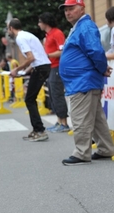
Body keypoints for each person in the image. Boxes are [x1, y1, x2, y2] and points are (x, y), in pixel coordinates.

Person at [58, 0, 114, 165]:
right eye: (66, 10)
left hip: (82, 81)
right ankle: (106, 149)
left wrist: (102, 67)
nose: (68, 12)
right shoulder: (81, 27)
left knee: (80, 118)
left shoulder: (85, 27)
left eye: (72, 8)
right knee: (96, 118)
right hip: (83, 81)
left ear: (82, 9)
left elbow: (96, 51)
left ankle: (82, 153)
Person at [8, 18, 51, 142]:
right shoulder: (28, 35)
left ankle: (40, 130)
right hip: (42, 67)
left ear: (11, 28)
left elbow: (31, 58)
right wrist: (23, 73)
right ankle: (37, 129)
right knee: (31, 99)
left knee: (29, 99)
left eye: (8, 29)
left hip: (40, 68)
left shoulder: (20, 38)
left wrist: (16, 70)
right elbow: (35, 58)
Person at [38, 12, 70, 133]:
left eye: (40, 22)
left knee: (57, 94)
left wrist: (47, 55)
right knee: (52, 95)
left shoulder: (57, 33)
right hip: (51, 67)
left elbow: (62, 51)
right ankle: (59, 121)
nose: (38, 24)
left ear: (46, 22)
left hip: (57, 67)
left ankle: (64, 123)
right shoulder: (48, 35)